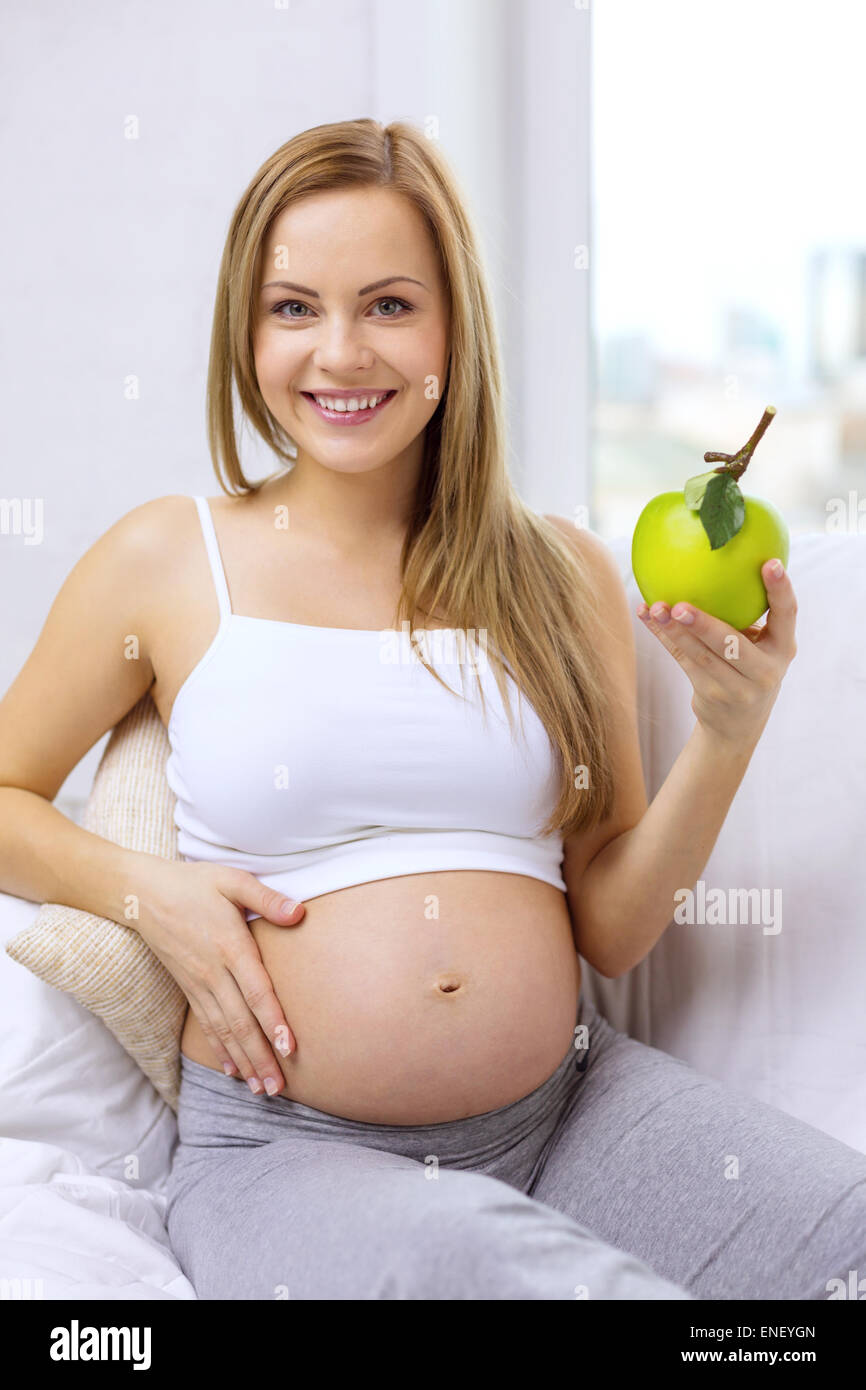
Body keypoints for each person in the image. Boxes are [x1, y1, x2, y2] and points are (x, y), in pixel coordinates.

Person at [1, 118, 863, 1301]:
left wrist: (724, 731)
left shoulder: (558, 573)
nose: (341, 353)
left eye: (390, 305)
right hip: (288, 1153)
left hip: (572, 1110)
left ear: (453, 327)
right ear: (244, 333)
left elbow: (606, 922)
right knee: (498, 1273)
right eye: (293, 307)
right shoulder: (167, 557)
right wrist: (149, 894)